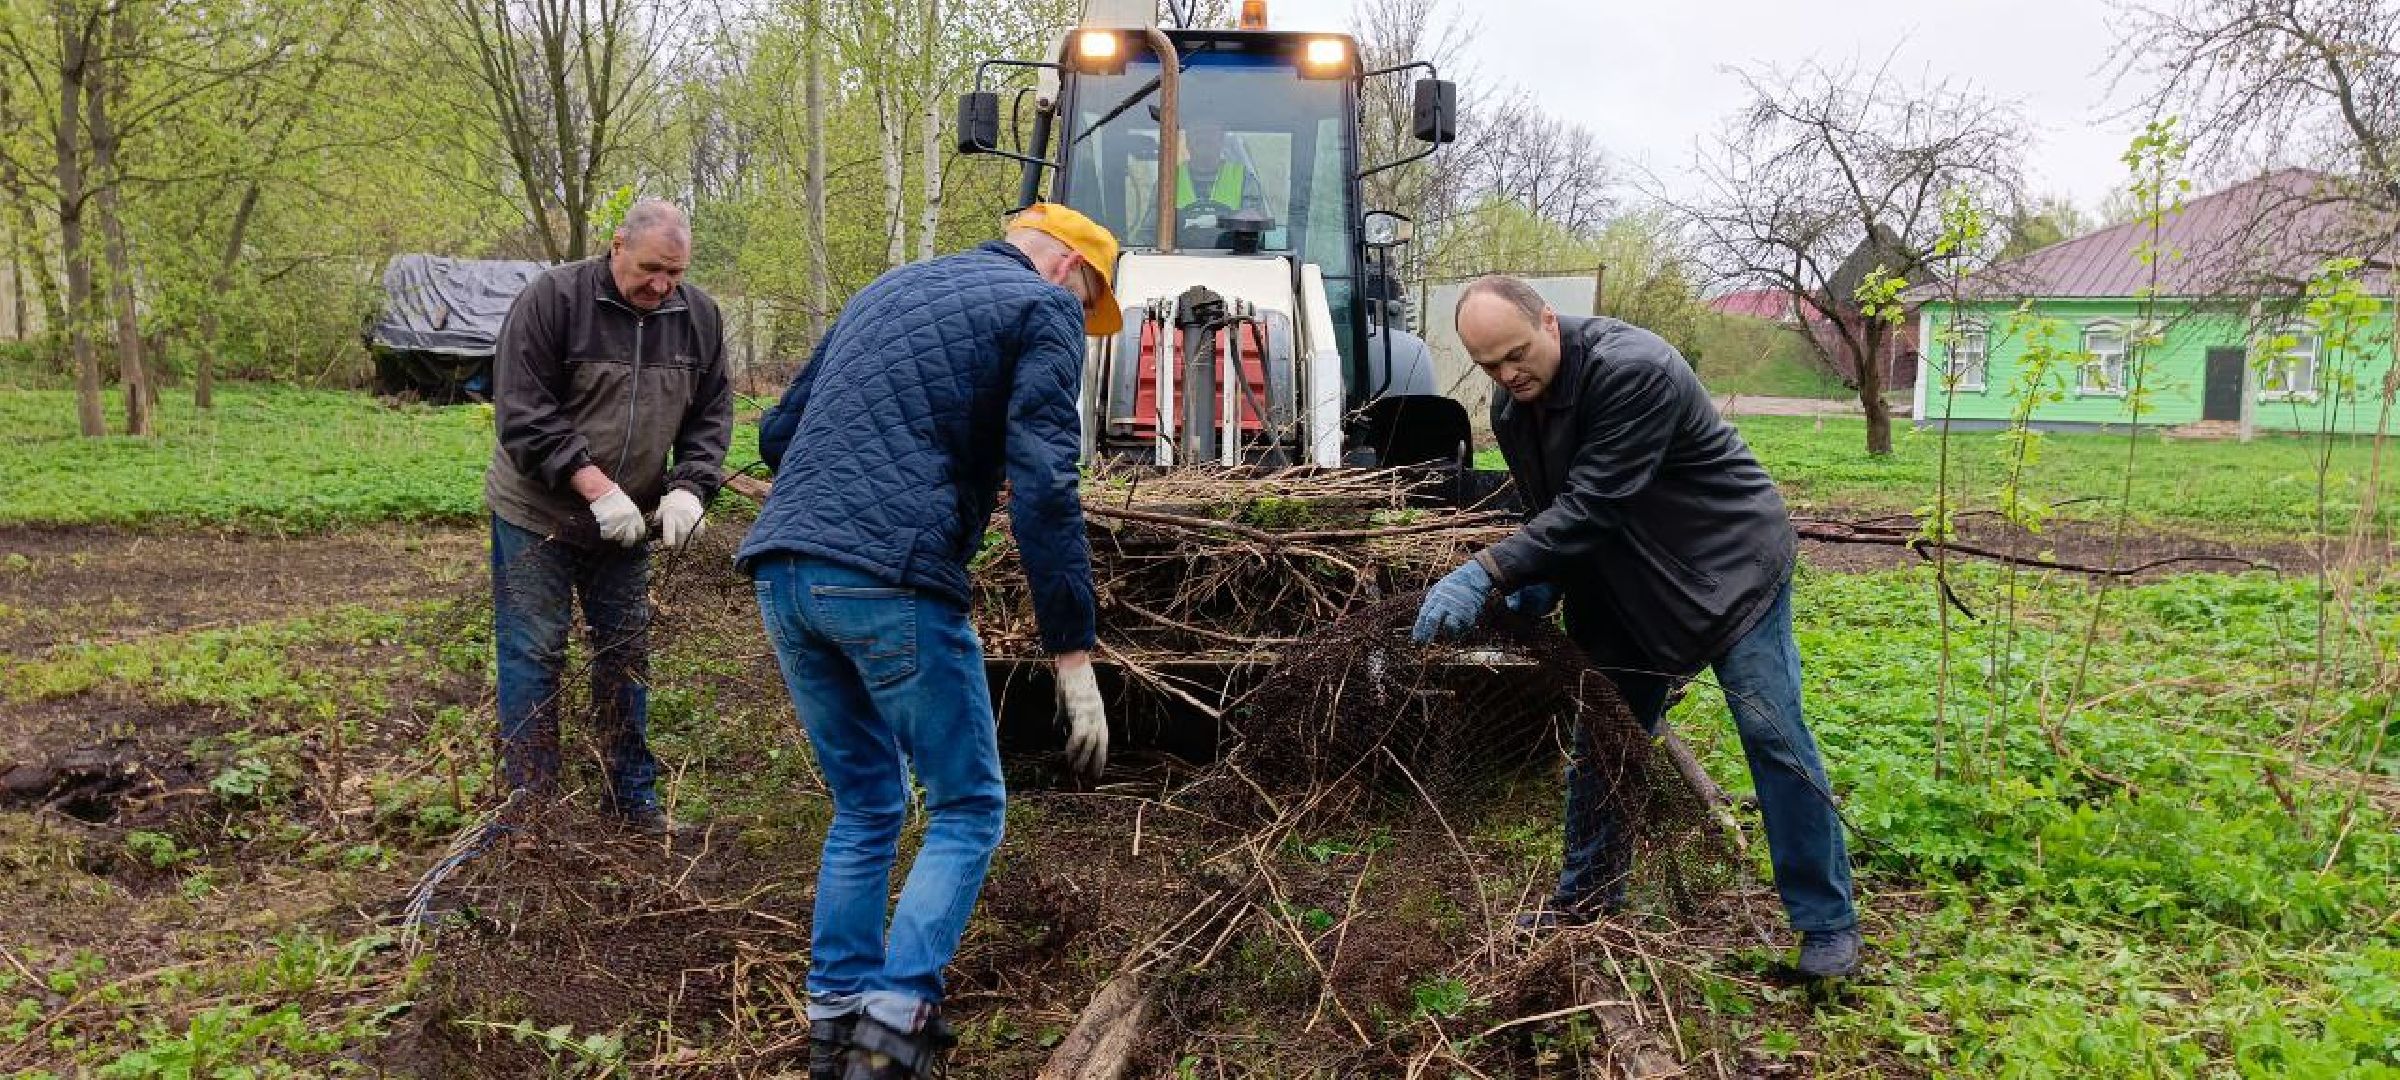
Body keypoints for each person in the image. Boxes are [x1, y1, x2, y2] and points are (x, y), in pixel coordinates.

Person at [739, 203, 1120, 1079]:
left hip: (783, 572)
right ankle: (892, 1031)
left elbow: (776, 434)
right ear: (1069, 267)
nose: (1083, 308)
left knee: (867, 803)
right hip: (889, 582)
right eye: (1092, 293)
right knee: (966, 808)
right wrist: (1073, 653)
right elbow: (1045, 489)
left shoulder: (892, 284)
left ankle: (833, 1029)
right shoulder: (1043, 308)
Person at [1411, 275, 1861, 979]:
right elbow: (1554, 516)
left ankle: (1826, 922)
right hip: (1622, 579)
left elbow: (1592, 506)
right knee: (1607, 741)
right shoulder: (1512, 407)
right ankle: (1585, 899)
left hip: (1727, 569)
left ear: (1550, 323)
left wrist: (1487, 571)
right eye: (1489, 365)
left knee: (1773, 734)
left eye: (1517, 354)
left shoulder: (1634, 371)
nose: (1507, 374)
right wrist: (1539, 580)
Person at [483, 199, 732, 834]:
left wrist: (689, 490)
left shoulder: (698, 318)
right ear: (616, 246)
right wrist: (594, 485)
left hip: (629, 523)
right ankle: (528, 811)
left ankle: (630, 800)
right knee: (534, 650)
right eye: (650, 268)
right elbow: (522, 412)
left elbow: (710, 420)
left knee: (624, 653)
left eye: (674, 273)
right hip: (537, 512)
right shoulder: (554, 301)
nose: (661, 285)